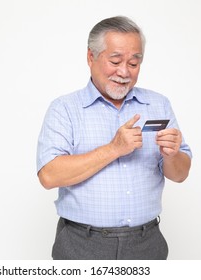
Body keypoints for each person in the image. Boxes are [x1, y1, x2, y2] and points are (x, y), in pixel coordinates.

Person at [36, 16, 192, 260]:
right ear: (91, 57)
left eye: (133, 63)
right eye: (116, 60)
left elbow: (180, 174)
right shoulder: (64, 109)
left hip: (146, 243)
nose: (124, 72)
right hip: (81, 244)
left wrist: (172, 155)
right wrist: (114, 149)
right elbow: (48, 175)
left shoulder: (158, 104)